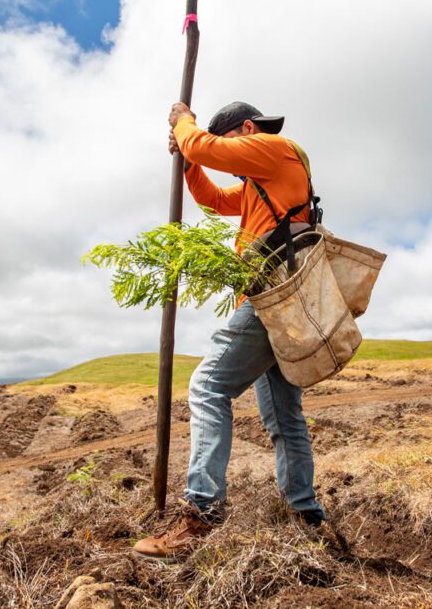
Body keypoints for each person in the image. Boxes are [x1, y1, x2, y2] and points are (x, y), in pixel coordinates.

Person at [132, 101, 325, 561]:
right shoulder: (261, 186)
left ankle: (201, 514)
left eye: (230, 143)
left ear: (247, 129)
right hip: (286, 298)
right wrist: (188, 163)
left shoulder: (274, 150)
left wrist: (184, 126)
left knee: (207, 387)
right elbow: (215, 201)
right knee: (283, 415)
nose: (233, 162)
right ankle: (306, 515)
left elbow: (207, 147)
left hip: (271, 294)